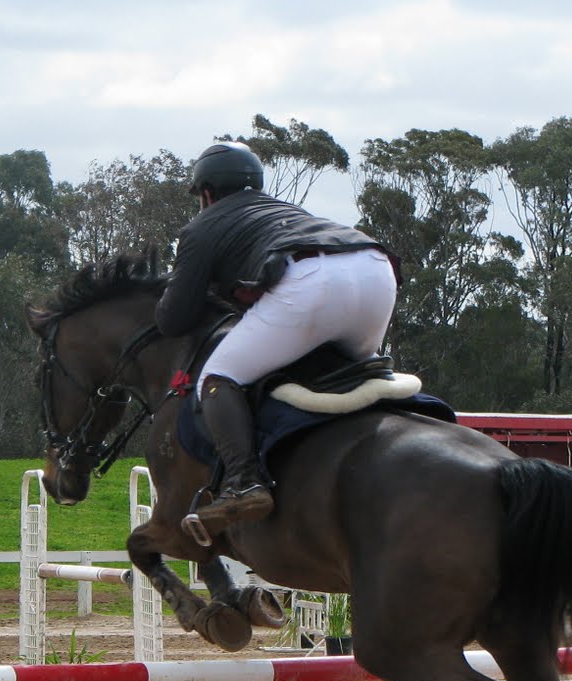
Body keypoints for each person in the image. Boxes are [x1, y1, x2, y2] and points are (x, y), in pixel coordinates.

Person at [155, 141, 399, 543]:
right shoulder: (285, 210)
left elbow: (173, 319)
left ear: (207, 193)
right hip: (375, 269)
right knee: (346, 376)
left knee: (218, 376)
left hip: (315, 283)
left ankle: (245, 482)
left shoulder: (203, 226)